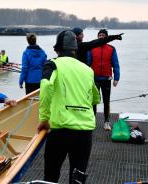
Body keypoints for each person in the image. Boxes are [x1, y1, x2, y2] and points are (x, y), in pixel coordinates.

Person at [38, 30, 100, 183]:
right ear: (75, 49)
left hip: (60, 129)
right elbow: (95, 98)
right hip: (84, 132)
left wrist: (44, 118)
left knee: (51, 176)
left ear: (57, 50)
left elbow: (45, 87)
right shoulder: (87, 69)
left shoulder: (52, 64)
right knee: (78, 178)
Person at [87, 29, 120, 131]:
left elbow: (116, 64)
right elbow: (87, 64)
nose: (101, 37)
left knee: (106, 101)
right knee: (93, 101)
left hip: (106, 79)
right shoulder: (91, 48)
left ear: (106, 37)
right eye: (99, 35)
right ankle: (92, 121)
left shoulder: (111, 48)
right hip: (94, 79)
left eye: (103, 35)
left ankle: (106, 122)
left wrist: (116, 78)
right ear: (98, 37)